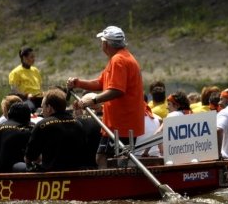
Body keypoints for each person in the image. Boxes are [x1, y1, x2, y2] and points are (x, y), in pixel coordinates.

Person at [67, 25, 145, 168]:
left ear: (106, 43)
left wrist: (94, 100)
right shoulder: (118, 58)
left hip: (122, 123)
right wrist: (78, 83)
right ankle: (114, 184)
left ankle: (115, 186)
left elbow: (117, 90)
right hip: (118, 122)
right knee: (104, 156)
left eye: (102, 41)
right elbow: (101, 83)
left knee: (112, 158)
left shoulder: (119, 60)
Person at [24, 88, 87, 171]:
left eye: (43, 107)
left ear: (49, 108)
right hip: (75, 171)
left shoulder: (42, 125)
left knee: (18, 166)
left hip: (50, 174)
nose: (41, 112)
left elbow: (30, 157)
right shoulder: (78, 124)